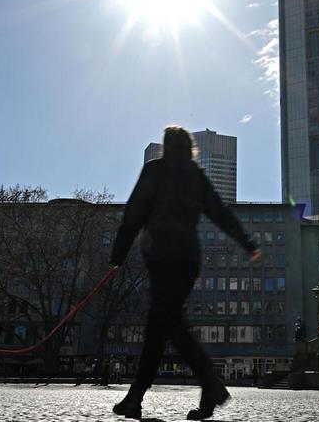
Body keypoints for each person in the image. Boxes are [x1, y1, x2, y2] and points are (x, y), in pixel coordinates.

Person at [110, 126, 262, 421]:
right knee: (160, 327)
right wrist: (247, 243)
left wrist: (117, 254)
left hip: (162, 257)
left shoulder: (154, 170)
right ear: (189, 146)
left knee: (168, 325)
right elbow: (220, 212)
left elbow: (133, 214)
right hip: (188, 260)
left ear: (166, 146)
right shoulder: (196, 175)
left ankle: (210, 384)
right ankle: (139, 397)